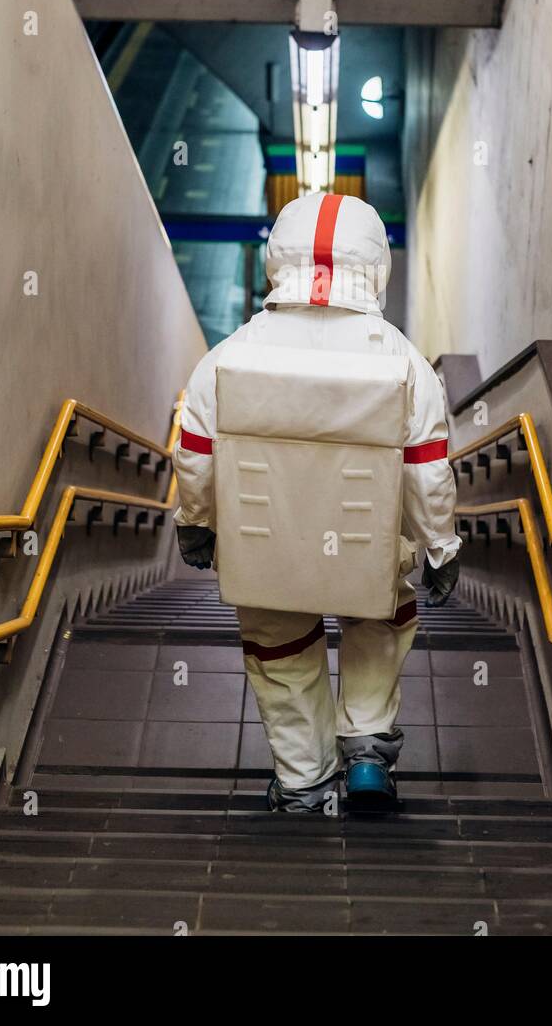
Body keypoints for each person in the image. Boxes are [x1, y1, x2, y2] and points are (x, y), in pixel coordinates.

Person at [172, 192, 461, 812]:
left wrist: (195, 524)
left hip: (264, 553)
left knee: (280, 651)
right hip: (367, 550)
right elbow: (426, 470)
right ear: (376, 263)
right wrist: (441, 548)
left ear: (279, 257)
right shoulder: (405, 362)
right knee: (378, 623)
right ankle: (365, 757)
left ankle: (303, 783)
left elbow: (194, 454)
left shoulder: (227, 356)